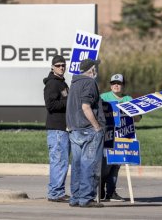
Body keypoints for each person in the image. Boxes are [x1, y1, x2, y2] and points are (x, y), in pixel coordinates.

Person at [66, 58, 106, 208]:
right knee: (89, 164)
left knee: (77, 165)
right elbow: (85, 106)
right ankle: (86, 198)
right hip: (88, 130)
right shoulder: (89, 83)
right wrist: (96, 126)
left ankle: (75, 197)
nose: (96, 70)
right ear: (92, 69)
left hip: (75, 129)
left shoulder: (74, 83)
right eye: (95, 67)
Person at [99, 73, 133, 202]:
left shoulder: (128, 99)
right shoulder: (103, 97)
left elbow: (138, 118)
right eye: (113, 83)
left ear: (123, 85)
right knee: (105, 164)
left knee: (116, 165)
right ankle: (100, 189)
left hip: (123, 136)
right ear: (110, 85)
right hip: (107, 136)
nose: (116, 86)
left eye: (119, 83)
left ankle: (111, 192)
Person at [43, 55, 70, 202]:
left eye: (63, 65)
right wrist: (68, 102)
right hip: (57, 128)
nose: (61, 67)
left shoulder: (62, 83)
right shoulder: (53, 84)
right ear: (52, 67)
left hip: (62, 128)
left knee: (62, 161)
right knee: (59, 161)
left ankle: (58, 191)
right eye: (58, 65)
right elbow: (51, 105)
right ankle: (55, 193)